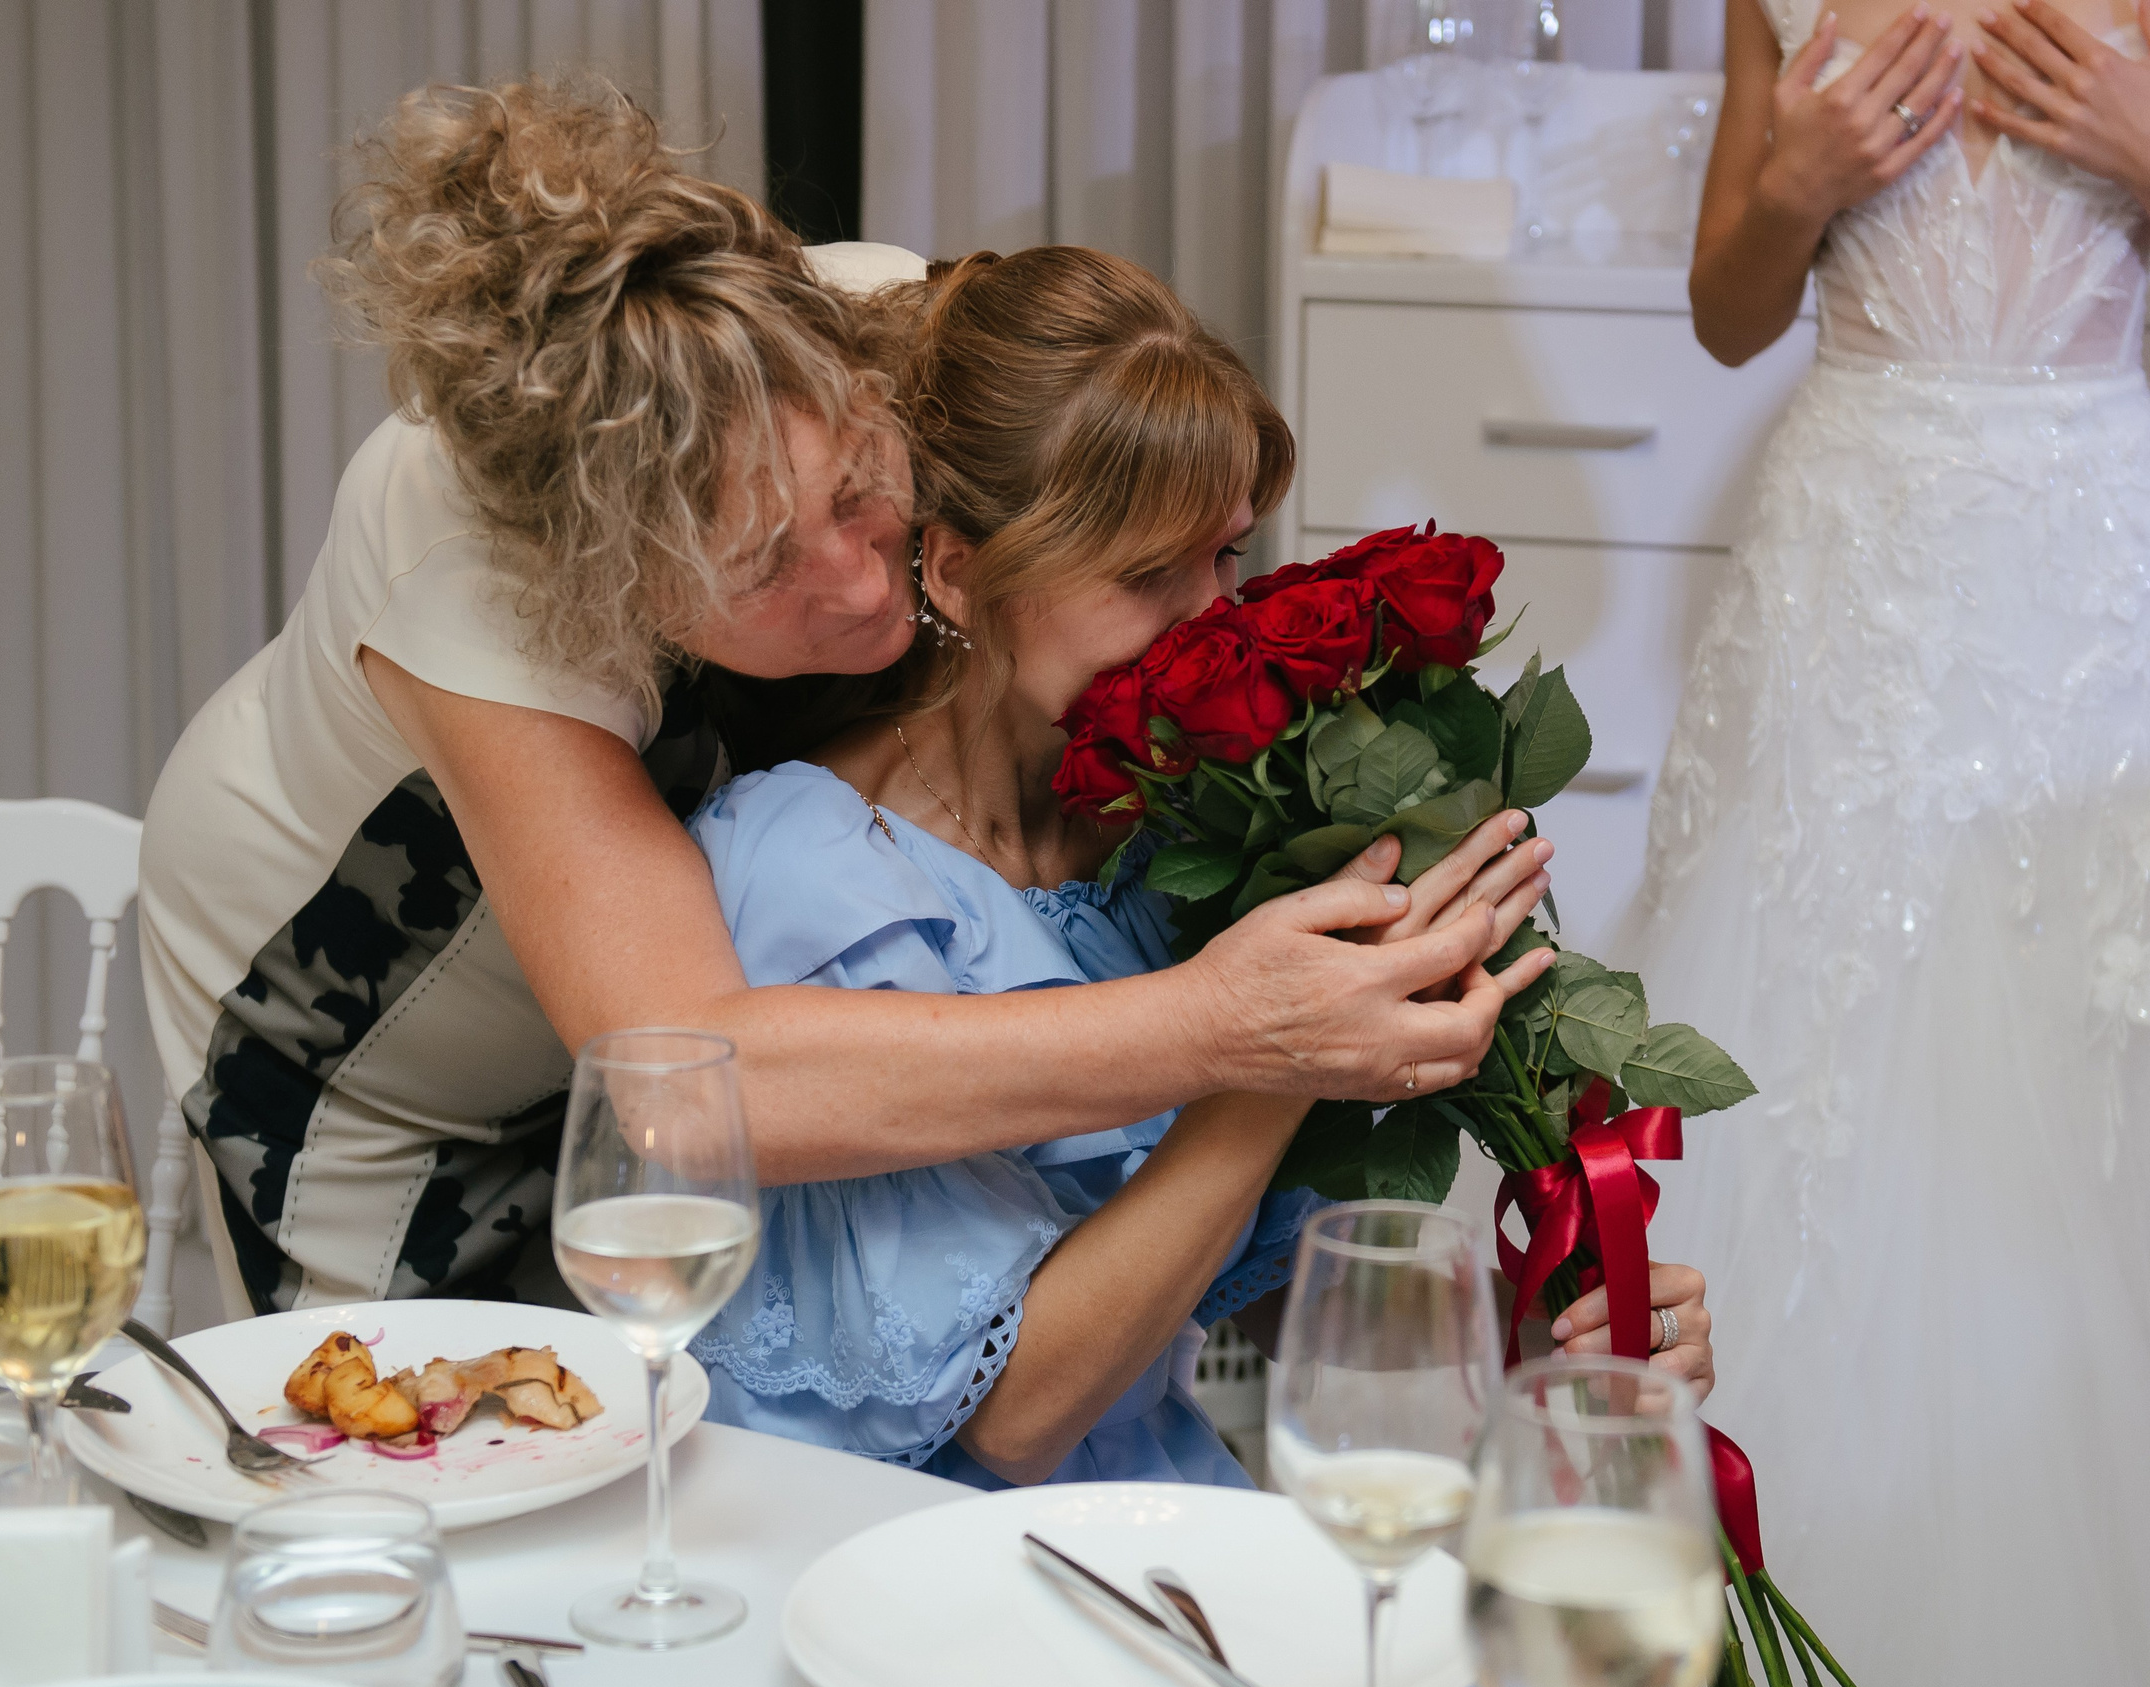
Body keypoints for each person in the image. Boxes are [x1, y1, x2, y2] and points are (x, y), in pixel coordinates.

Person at [136, 81, 1531, 1316]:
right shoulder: (475, 568)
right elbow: (691, 1078)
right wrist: (1224, 1032)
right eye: (762, 569)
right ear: (608, 580)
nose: (874, 596)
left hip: (673, 1005)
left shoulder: (863, 323)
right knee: (443, 1459)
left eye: (868, 500)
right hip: (372, 1028)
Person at [688, 247, 1714, 1489]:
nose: (1213, 619)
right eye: (1143, 574)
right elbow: (1011, 1422)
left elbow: (1250, 1302)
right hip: (898, 1541)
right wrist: (1282, 1052)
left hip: (1155, 1491)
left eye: (1224, 556)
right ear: (958, 567)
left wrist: (1548, 1351)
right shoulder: (819, 876)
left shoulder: (1175, 838)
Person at [1626, 1, 2150, 1687]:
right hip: (1853, 578)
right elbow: (1726, 312)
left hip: (2097, 565)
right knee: (1808, 1049)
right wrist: (1795, 181)